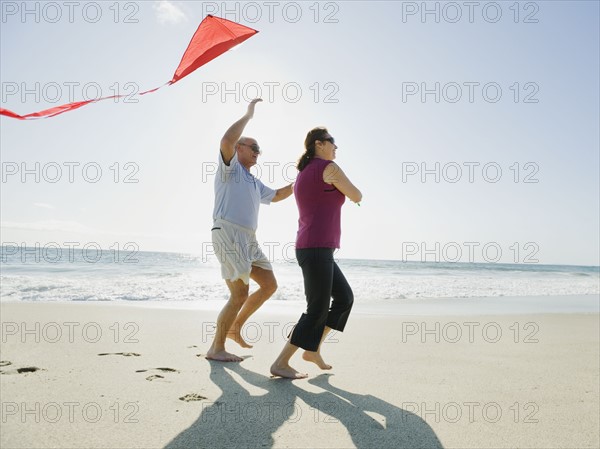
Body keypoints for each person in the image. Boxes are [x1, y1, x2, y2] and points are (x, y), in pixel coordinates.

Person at [206, 99, 294, 362]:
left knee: (269, 285)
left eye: (259, 149)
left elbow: (278, 195)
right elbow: (225, 140)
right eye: (254, 147)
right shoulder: (229, 168)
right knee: (239, 293)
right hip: (228, 232)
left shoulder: (254, 182)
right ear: (239, 148)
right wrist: (248, 115)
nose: (258, 152)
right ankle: (216, 348)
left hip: (249, 239)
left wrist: (300, 179)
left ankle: (235, 327)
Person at [270, 127, 362, 379]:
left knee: (344, 298)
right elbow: (357, 194)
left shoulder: (302, 173)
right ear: (319, 144)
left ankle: (313, 349)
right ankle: (281, 362)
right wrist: (346, 192)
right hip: (315, 248)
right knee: (317, 309)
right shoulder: (328, 168)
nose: (336, 148)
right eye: (333, 143)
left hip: (317, 248)